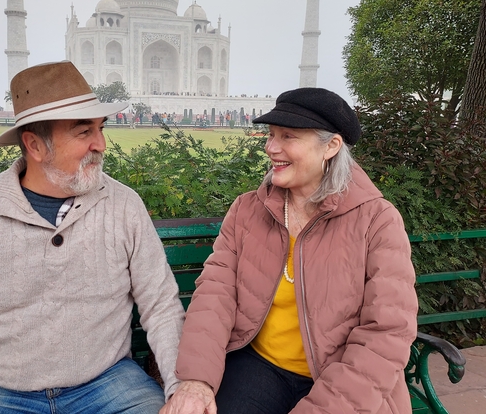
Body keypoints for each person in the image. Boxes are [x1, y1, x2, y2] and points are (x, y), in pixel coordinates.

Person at [0, 61, 185, 414]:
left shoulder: (123, 206)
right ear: (35, 146)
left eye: (100, 129)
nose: (101, 144)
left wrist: (182, 386)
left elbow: (162, 308)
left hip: (108, 383)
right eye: (83, 131)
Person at [161, 87, 418, 414]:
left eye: (288, 137)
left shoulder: (376, 221)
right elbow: (215, 295)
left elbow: (387, 332)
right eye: (271, 135)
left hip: (342, 378)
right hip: (259, 366)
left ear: (332, 146)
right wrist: (197, 381)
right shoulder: (247, 210)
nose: (271, 147)